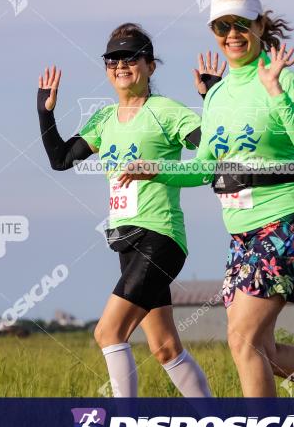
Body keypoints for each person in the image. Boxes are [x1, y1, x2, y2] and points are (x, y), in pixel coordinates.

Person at [119, 0, 294, 398]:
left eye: (241, 23)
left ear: (260, 25)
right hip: (241, 233)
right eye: (222, 26)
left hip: (285, 221)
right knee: (263, 350)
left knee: (242, 340)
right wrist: (155, 169)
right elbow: (204, 168)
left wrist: (277, 90)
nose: (232, 33)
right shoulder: (218, 94)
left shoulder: (283, 78)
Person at [36, 22, 223, 398]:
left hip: (161, 238)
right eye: (112, 59)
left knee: (108, 332)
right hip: (126, 242)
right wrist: (45, 111)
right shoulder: (104, 120)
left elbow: (214, 161)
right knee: (165, 347)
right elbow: (60, 159)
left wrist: (213, 98)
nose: (121, 65)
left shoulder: (167, 112)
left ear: (150, 66)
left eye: (130, 57)